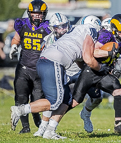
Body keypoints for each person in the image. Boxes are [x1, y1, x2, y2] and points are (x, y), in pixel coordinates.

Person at [10, 12, 106, 140]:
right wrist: (101, 68)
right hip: (53, 63)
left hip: (51, 62)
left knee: (66, 99)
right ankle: (20, 110)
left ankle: (50, 131)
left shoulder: (74, 32)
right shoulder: (91, 31)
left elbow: (78, 56)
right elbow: (88, 58)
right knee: (54, 101)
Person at [33, 13, 102, 136]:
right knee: (55, 99)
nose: (62, 29)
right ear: (52, 28)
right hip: (62, 70)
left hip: (80, 70)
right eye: (58, 27)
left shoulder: (75, 32)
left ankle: (85, 115)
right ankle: (43, 128)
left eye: (64, 25)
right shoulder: (49, 39)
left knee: (96, 96)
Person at [70, 14, 121, 135]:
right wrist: (109, 53)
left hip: (97, 70)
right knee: (73, 101)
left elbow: (115, 54)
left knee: (104, 95)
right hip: (80, 69)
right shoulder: (101, 35)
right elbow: (91, 54)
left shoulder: (117, 39)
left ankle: (116, 124)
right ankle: (51, 121)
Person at [9, 0, 51, 134]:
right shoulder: (23, 24)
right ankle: (25, 127)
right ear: (30, 13)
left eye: (40, 14)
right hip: (24, 67)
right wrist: (14, 46)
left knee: (38, 99)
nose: (37, 16)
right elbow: (17, 38)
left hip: (40, 70)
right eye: (35, 13)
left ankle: (37, 119)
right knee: (21, 97)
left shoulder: (48, 28)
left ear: (44, 14)